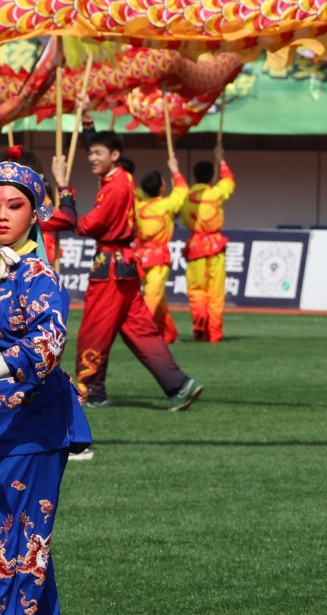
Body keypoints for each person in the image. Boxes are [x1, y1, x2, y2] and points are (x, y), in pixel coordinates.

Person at [0, 148, 88, 615]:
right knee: (11, 524)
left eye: (14, 205)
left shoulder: (39, 276)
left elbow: (48, 345)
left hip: (33, 421)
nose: (2, 214)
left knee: (22, 529)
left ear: (35, 214)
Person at [48, 134, 203, 412]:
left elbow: (85, 225)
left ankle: (90, 391)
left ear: (115, 155)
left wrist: (64, 187)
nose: (92, 158)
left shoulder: (115, 187)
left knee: (94, 331)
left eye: (98, 153)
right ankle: (179, 385)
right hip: (125, 266)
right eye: (90, 153)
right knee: (142, 331)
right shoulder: (123, 179)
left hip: (110, 269)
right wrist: (87, 123)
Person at [178, 138, 235, 342]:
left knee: (196, 290)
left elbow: (181, 216)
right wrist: (221, 160)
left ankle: (199, 320)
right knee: (215, 294)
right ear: (211, 177)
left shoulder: (186, 197)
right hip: (214, 247)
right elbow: (229, 181)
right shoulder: (215, 193)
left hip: (195, 247)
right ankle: (214, 332)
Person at [134, 150, 192, 343]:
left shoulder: (138, 206)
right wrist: (174, 169)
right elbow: (183, 190)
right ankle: (141, 331)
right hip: (158, 256)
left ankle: (169, 334)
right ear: (160, 188)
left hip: (141, 255)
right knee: (153, 296)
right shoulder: (165, 205)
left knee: (158, 299)